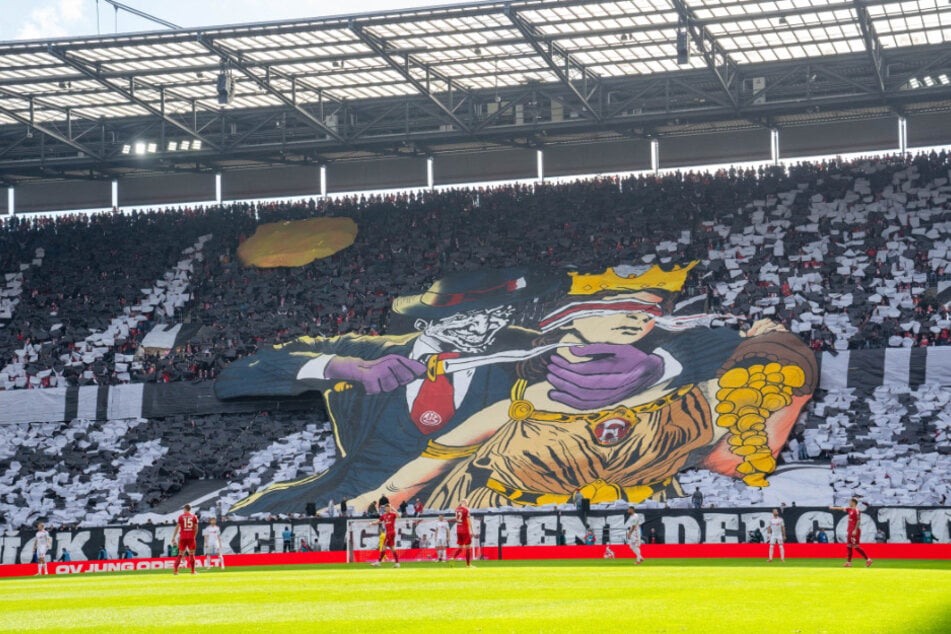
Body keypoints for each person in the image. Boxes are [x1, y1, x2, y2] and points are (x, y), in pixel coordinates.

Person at [829, 498, 872, 567]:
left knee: (856, 547)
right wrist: (833, 508)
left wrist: (855, 530)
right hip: (850, 531)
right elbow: (842, 508)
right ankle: (849, 562)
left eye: (850, 502)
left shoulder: (857, 510)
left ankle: (868, 560)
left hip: (855, 531)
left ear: (853, 502)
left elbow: (858, 521)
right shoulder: (850, 509)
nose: (849, 503)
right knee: (849, 546)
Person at [171, 503, 199, 575]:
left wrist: (174, 537)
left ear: (185, 509)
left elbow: (177, 527)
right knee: (192, 554)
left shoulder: (181, 517)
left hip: (183, 537)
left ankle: (175, 571)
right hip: (191, 537)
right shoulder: (194, 517)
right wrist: (194, 537)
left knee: (180, 554)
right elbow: (196, 528)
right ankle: (193, 571)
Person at [371, 504, 400, 568]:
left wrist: (394, 509)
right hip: (389, 533)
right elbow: (378, 521)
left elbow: (399, 516)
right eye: (386, 508)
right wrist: (372, 523)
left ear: (390, 508)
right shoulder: (384, 516)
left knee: (384, 547)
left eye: (388, 508)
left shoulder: (393, 514)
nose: (387, 509)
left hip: (391, 533)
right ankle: (397, 563)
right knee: (392, 548)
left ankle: (378, 562)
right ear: (385, 509)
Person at [450, 498, 474, 568]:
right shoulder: (466, 510)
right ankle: (468, 565)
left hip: (458, 530)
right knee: (468, 548)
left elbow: (456, 518)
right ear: (465, 503)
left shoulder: (456, 509)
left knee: (460, 547)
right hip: (465, 529)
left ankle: (453, 558)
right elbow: (468, 520)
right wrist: (472, 531)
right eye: (467, 502)